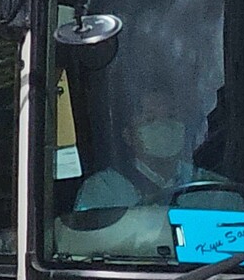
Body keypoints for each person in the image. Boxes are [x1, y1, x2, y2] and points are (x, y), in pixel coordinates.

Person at [75, 86, 216, 212]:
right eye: (150, 119)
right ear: (128, 135)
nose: (164, 127)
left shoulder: (208, 186)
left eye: (171, 116)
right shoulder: (103, 190)